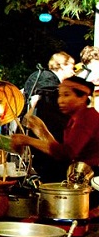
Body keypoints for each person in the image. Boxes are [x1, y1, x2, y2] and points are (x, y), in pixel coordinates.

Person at [11, 76, 99, 176]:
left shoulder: (88, 118)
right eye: (60, 95)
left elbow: (66, 153)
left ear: (82, 98)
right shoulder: (74, 119)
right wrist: (41, 131)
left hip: (92, 176)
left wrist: (27, 140)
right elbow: (59, 150)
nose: (60, 100)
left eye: (66, 95)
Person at [21, 52, 75, 181]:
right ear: (62, 65)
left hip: (36, 142)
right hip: (48, 144)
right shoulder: (51, 85)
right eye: (71, 67)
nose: (73, 72)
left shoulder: (38, 77)